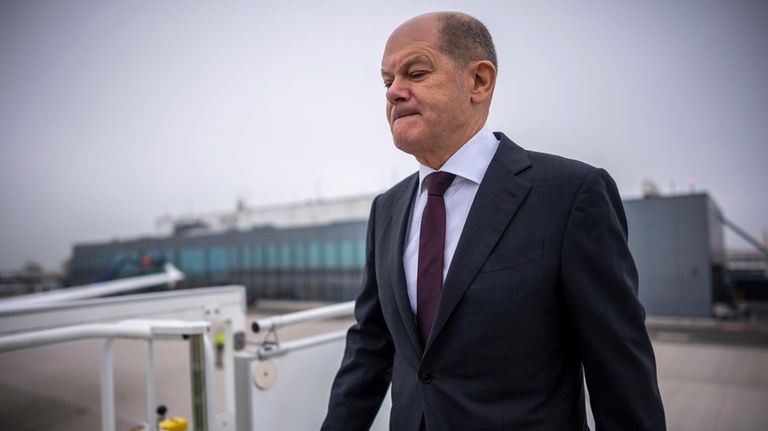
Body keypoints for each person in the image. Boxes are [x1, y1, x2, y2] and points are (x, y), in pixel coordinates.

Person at [322, 11, 666, 431]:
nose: (394, 92)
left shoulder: (572, 194)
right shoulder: (387, 210)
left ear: (479, 81)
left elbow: (620, 370)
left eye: (415, 72)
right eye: (386, 81)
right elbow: (370, 348)